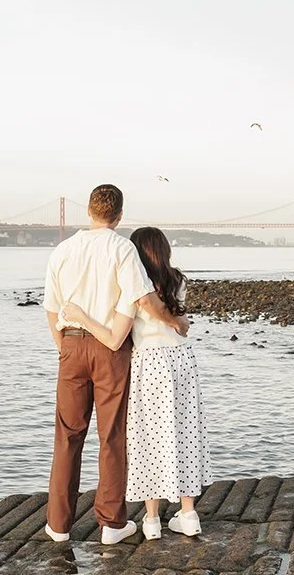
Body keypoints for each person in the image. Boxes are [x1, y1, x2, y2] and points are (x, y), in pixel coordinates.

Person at [43, 184, 187, 544]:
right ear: (119, 215)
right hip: (111, 349)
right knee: (112, 438)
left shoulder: (62, 250)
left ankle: (58, 526)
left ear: (88, 211)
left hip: (72, 347)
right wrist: (174, 322)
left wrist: (66, 347)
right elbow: (144, 299)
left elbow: (50, 307)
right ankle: (111, 524)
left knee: (67, 436)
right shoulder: (122, 248)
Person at [62, 226, 209, 540]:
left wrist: (83, 319)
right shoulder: (178, 280)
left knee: (148, 438)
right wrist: (178, 321)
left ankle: (152, 520)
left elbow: (117, 335)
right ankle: (188, 513)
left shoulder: (133, 288)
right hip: (182, 360)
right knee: (184, 431)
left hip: (150, 363)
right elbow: (176, 320)